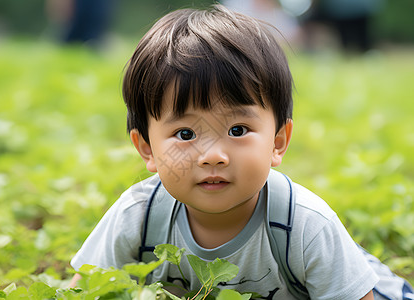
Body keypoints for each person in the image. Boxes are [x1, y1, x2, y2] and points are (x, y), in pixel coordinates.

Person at [70, 5, 378, 299]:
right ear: (147, 149)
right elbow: (83, 290)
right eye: (185, 134)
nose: (213, 155)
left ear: (278, 141)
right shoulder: (138, 216)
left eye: (237, 130)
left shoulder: (306, 225)